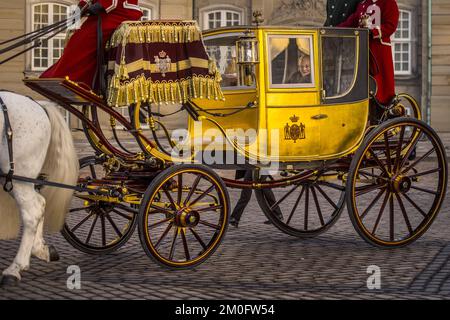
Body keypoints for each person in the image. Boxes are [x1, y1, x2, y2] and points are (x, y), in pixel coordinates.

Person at [40, 0, 143, 90]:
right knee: (76, 37)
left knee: (86, 38)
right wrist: (81, 7)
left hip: (122, 11)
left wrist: (103, 4)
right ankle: (63, 75)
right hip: (105, 12)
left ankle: (76, 79)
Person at [338, 0, 399, 108]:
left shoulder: (388, 2)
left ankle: (382, 108)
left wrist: (373, 31)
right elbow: (352, 21)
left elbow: (391, 25)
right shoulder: (363, 4)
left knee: (380, 85)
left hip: (379, 51)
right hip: (362, 50)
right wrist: (333, 30)